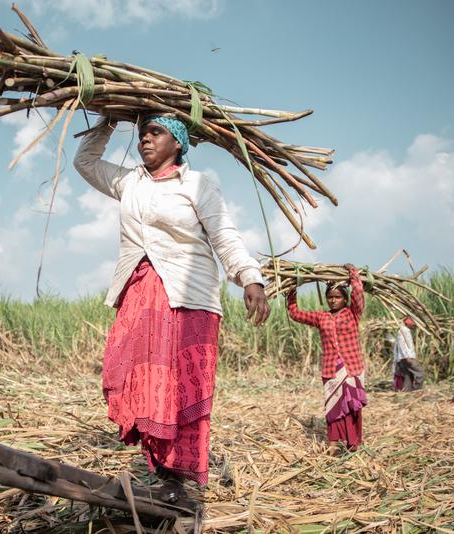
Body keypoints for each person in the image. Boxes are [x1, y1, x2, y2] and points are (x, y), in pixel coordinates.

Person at [73, 114, 270, 502]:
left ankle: (175, 480)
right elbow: (85, 162)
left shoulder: (198, 184)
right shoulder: (129, 181)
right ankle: (162, 471)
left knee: (178, 389)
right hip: (140, 294)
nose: (145, 139)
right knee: (141, 382)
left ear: (177, 142)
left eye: (155, 132)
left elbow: (223, 234)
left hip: (188, 296)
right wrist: (108, 119)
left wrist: (250, 277)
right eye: (142, 132)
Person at [286, 264, 367, 452]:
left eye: (337, 297)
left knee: (353, 406)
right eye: (330, 297)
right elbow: (296, 314)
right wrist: (292, 289)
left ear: (344, 298)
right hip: (332, 369)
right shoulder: (321, 317)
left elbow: (358, 295)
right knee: (333, 405)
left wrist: (353, 274)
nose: (333, 300)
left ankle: (353, 443)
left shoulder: (353, 313)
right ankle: (332, 444)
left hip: (352, 367)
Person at [392, 316, 425, 391]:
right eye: (413, 324)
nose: (414, 325)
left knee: (408, 376)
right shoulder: (403, 331)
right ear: (408, 323)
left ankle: (407, 391)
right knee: (420, 373)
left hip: (405, 358)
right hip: (407, 358)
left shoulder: (405, 330)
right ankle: (417, 389)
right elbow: (402, 345)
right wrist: (406, 357)